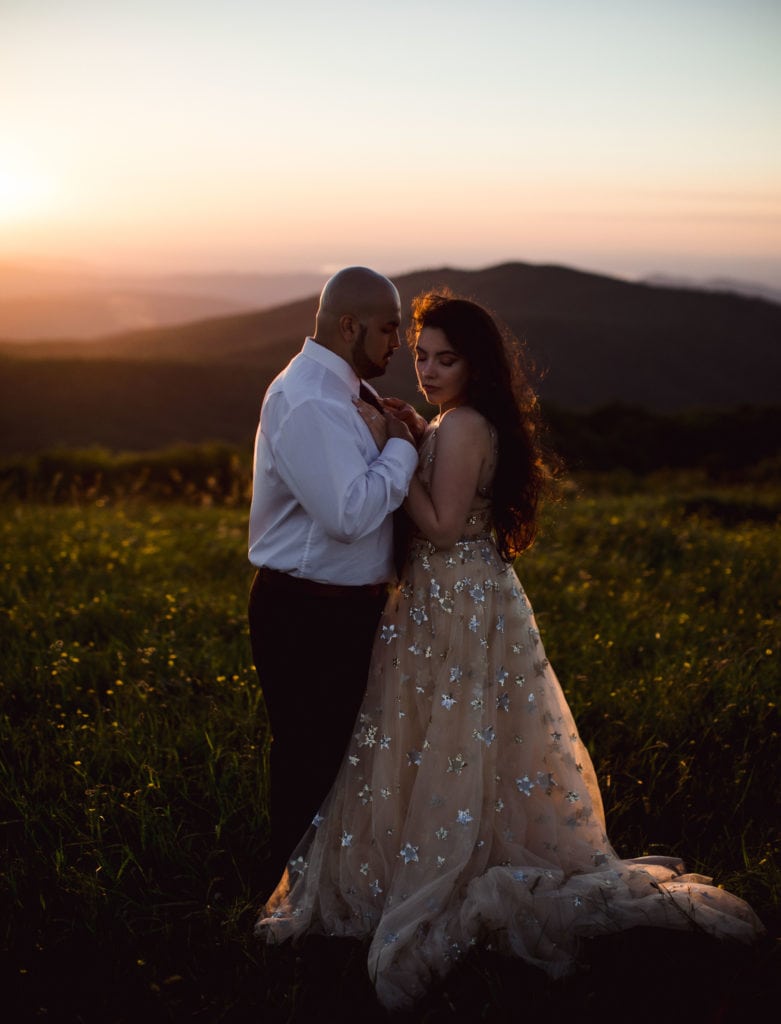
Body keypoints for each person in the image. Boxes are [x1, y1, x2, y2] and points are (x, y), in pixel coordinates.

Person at [256, 291, 764, 1011]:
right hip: (450, 597)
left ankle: (446, 865)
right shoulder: (448, 421)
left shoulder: (462, 426)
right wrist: (410, 429)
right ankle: (442, 845)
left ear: (476, 364)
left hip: (455, 598)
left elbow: (437, 527)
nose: (428, 372)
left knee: (451, 734)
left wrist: (398, 450)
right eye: (422, 356)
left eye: (445, 359)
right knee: (449, 737)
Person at [247, 266, 425, 891]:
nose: (397, 342)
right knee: (309, 759)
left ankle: (335, 888)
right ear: (347, 325)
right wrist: (401, 445)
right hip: (307, 611)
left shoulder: (350, 392)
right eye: (388, 328)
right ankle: (290, 900)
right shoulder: (309, 401)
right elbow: (348, 514)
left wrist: (402, 435)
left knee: (345, 758)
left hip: (348, 609)